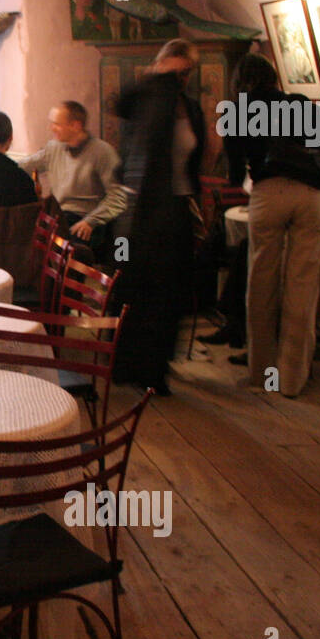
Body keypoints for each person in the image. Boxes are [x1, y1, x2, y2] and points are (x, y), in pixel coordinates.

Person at [224, 52, 320, 397]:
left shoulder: (238, 112)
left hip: (267, 193)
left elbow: (234, 174)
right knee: (303, 286)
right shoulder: (303, 106)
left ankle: (262, 374)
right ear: (274, 78)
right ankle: (293, 378)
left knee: (261, 283)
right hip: (311, 196)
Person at [110, 39, 209, 396]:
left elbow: (195, 158)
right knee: (140, 289)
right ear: (163, 64)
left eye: (186, 72)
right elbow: (120, 104)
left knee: (171, 293)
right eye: (177, 70)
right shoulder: (148, 99)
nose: (180, 78)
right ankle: (130, 365)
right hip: (145, 209)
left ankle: (155, 367)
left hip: (177, 206)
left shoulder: (189, 107)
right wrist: (157, 77)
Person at [18, 101, 128, 264]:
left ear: (76, 126)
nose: (51, 128)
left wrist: (91, 221)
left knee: (62, 250)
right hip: (59, 216)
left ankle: (68, 286)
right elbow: (25, 166)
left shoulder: (102, 152)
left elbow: (119, 196)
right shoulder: (54, 148)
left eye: (57, 124)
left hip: (86, 219)